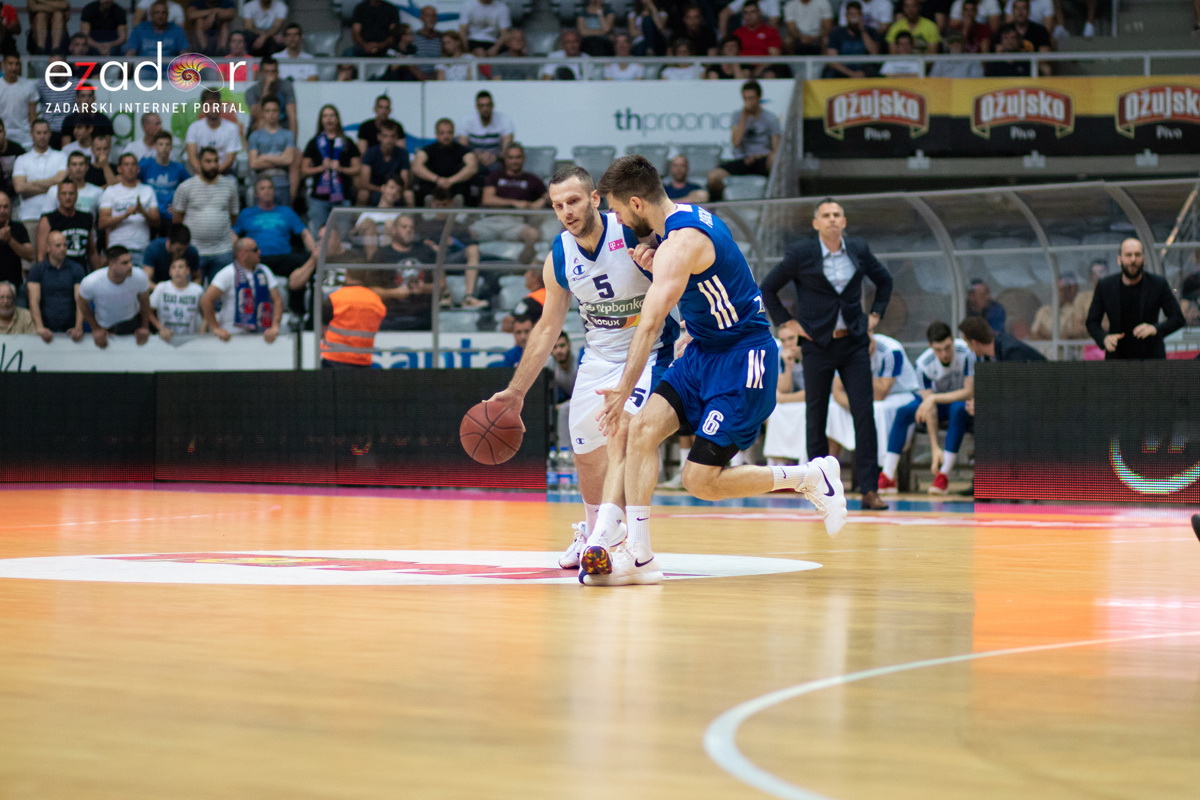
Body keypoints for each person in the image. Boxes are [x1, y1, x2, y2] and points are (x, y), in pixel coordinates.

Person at [583, 155, 847, 587]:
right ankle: (640, 553)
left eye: (615, 210)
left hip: (743, 359)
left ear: (636, 203)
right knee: (639, 431)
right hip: (704, 351)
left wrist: (621, 390)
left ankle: (808, 476)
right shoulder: (679, 223)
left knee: (699, 480)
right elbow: (705, 289)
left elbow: (649, 325)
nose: (616, 220)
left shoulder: (680, 243)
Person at [484, 165, 679, 576]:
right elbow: (547, 326)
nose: (566, 211)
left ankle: (623, 540)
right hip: (599, 358)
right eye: (557, 205)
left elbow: (681, 278)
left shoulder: (630, 231)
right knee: (585, 451)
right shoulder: (559, 255)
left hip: (649, 352)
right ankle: (593, 533)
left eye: (573, 201)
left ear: (593, 199)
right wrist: (516, 392)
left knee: (625, 432)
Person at [760, 198, 893, 510]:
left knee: (864, 413)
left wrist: (874, 316)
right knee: (815, 415)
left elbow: (885, 281)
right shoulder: (802, 253)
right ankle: (820, 489)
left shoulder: (858, 248)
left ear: (844, 222)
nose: (832, 220)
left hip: (854, 342)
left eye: (837, 215)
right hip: (817, 344)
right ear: (816, 223)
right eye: (826, 215)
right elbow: (768, 288)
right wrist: (787, 323)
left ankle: (869, 489)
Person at [877, 321, 974, 495]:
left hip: (957, 401)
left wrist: (935, 398)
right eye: (938, 350)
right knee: (903, 411)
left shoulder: (966, 353)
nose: (944, 354)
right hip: (935, 404)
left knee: (958, 409)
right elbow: (929, 407)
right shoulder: (923, 364)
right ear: (931, 347)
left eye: (947, 347)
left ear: (953, 340)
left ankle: (944, 474)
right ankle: (888, 475)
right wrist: (934, 447)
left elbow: (968, 392)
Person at [825, 332, 920, 476]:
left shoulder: (891, 350)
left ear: (871, 335)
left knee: (878, 409)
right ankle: (827, 472)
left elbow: (881, 393)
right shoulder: (845, 350)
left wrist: (862, 364)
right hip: (861, 399)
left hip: (901, 393)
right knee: (833, 408)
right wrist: (857, 407)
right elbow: (837, 392)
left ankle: (881, 469)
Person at [1085, 238, 1185, 360]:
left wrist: (1155, 328)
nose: (1133, 260)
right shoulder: (1105, 286)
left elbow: (1178, 318)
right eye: (1128, 255)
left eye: (1137, 255)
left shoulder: (1158, 284)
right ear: (1119, 259)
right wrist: (1104, 338)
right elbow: (1092, 322)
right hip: (1117, 356)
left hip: (1151, 357)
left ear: (1144, 259)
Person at [234, 176, 314, 318]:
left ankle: (298, 315)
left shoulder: (286, 212)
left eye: (270, 188)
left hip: (283, 257)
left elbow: (304, 233)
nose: (267, 191)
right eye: (263, 188)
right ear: (256, 193)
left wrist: (315, 253)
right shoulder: (247, 213)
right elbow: (233, 234)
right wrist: (237, 253)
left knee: (304, 263)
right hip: (258, 258)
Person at [707, 80, 781, 202]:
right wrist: (744, 116)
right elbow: (736, 142)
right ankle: (717, 210)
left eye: (752, 98)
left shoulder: (770, 118)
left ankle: (773, 201)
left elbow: (776, 149)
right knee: (713, 177)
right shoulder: (737, 116)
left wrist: (757, 156)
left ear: (759, 98)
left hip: (761, 160)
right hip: (741, 159)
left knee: (774, 160)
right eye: (746, 98)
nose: (749, 102)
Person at [474, 142, 546, 265]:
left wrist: (538, 203)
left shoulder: (532, 179)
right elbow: (487, 199)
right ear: (505, 159)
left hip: (515, 223)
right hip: (490, 221)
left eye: (518, 157)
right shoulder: (495, 176)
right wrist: (514, 203)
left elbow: (550, 196)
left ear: (523, 158)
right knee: (465, 233)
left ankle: (522, 269)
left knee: (533, 234)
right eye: (511, 158)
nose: (514, 161)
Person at [171, 146, 237, 280]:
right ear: (199, 163)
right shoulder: (186, 187)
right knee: (191, 293)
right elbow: (178, 219)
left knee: (220, 297)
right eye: (208, 161)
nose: (213, 165)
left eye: (215, 161)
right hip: (194, 250)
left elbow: (233, 216)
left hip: (223, 250)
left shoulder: (230, 186)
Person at [200, 237, 283, 341]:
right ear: (242, 254)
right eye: (255, 250)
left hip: (261, 334)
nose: (259, 252)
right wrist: (216, 328)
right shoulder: (228, 273)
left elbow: (277, 300)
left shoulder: (264, 271)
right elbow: (206, 300)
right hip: (232, 335)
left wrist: (275, 326)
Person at [301, 104, 361, 233]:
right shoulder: (314, 142)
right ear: (321, 120)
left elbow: (357, 169)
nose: (329, 119)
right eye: (325, 116)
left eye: (332, 115)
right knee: (319, 236)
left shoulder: (347, 142)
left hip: (343, 197)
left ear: (337, 119)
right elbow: (304, 170)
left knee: (342, 235)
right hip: (319, 199)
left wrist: (341, 169)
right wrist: (320, 168)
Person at [77, 245, 151, 348]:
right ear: (111, 264)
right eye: (125, 263)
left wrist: (144, 327)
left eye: (130, 261)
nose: (130, 266)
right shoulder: (92, 282)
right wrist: (95, 328)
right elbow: (81, 302)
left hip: (132, 323)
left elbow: (145, 301)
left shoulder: (139, 276)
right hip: (104, 325)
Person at [371, 214, 435, 331]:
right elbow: (372, 290)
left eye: (411, 227)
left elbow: (441, 286)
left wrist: (424, 287)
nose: (408, 230)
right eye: (404, 227)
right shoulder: (382, 254)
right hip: (390, 317)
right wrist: (394, 293)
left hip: (422, 318)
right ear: (394, 230)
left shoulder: (426, 252)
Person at [12, 118, 67, 244]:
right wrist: (51, 185)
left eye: (45, 132)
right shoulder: (22, 159)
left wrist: (31, 183)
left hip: (55, 215)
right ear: (31, 134)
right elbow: (20, 188)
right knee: (31, 260)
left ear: (50, 134)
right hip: (29, 216)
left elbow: (60, 181)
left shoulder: (61, 156)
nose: (42, 136)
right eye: (38, 133)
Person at [319, 268, 388, 368]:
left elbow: (322, 325)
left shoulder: (335, 298)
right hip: (363, 360)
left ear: (346, 275)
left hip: (334, 358)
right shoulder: (376, 300)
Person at [27, 230, 86, 341]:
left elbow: (80, 299)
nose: (63, 249)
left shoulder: (76, 269)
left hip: (70, 326)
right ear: (48, 248)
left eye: (65, 245)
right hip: (47, 325)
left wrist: (78, 326)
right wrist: (40, 327)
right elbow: (33, 300)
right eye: (58, 245)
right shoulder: (37, 270)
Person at [411, 118, 477, 208]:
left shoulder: (463, 150)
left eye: (449, 133)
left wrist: (451, 181)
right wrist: (437, 179)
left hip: (455, 187)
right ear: (437, 134)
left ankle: (458, 204)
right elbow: (416, 166)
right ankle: (430, 203)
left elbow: (472, 167)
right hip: (434, 186)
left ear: (454, 134)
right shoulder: (427, 150)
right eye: (442, 133)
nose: (446, 136)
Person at [247, 95, 297, 206]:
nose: (271, 114)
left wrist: (264, 157)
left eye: (274, 110)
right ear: (263, 113)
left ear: (280, 112)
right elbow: (254, 163)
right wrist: (280, 159)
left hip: (283, 184)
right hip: (261, 184)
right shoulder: (255, 136)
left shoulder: (288, 135)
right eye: (268, 111)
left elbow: (288, 160)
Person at [138, 130, 189, 233]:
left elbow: (191, 188)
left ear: (171, 147)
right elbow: (131, 182)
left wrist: (181, 208)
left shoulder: (179, 168)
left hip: (170, 217)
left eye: (167, 145)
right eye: (160, 144)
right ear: (154, 146)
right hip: (149, 215)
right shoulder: (145, 165)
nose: (164, 148)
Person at [36, 179, 95, 266]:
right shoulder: (48, 219)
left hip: (81, 271)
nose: (68, 197)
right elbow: (41, 254)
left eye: (71, 193)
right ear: (58, 196)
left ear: (77, 195)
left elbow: (92, 253)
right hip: (57, 272)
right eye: (64, 193)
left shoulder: (87, 217)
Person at [458, 91, 514, 175]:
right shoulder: (467, 121)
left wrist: (495, 157)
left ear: (493, 105)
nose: (485, 109)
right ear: (476, 107)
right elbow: (462, 148)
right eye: (482, 106)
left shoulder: (504, 120)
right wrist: (478, 156)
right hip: (473, 159)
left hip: (496, 160)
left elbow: (507, 149)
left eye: (488, 105)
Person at [358, 119, 411, 207]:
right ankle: (359, 220)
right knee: (363, 194)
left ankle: (409, 220)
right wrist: (381, 189)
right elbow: (364, 182)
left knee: (409, 195)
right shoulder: (370, 152)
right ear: (379, 137)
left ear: (397, 137)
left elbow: (404, 180)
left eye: (392, 136)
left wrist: (394, 190)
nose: (389, 140)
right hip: (375, 189)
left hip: (396, 190)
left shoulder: (403, 153)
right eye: (385, 136)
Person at [148, 256, 202, 339]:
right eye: (173, 267)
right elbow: (148, 310)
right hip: (166, 337)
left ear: (188, 270)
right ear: (169, 272)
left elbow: (206, 313)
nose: (177, 270)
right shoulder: (161, 288)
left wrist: (202, 331)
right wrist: (160, 328)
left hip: (191, 337)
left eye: (180, 267)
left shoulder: (197, 290)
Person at [823, 1, 881, 78]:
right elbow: (832, 60)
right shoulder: (836, 34)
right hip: (843, 71)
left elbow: (874, 53)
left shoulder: (870, 32)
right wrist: (852, 74)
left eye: (856, 14)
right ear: (846, 16)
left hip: (864, 71)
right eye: (851, 14)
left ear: (861, 15)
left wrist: (862, 30)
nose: (853, 17)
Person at [245, 57, 297, 137]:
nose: (270, 75)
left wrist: (293, 143)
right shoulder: (252, 91)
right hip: (259, 128)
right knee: (261, 122)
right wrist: (266, 88)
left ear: (278, 72)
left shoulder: (286, 86)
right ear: (261, 72)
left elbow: (292, 117)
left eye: (273, 71)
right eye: (267, 72)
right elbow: (258, 115)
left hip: (282, 127)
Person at [958, 316, 1046, 362]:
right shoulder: (986, 356)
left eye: (967, 344)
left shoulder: (1012, 351)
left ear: (974, 343)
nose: (968, 348)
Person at [2, 56, 42, 152]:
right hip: (2, 134)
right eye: (10, 64)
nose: (14, 67)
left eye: (17, 64)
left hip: (24, 135)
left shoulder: (28, 86)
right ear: (3, 65)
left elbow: (32, 115)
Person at [732, 1, 783, 75]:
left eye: (753, 12)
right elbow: (732, 53)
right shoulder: (737, 33)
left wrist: (759, 69)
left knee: (769, 75)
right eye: (746, 13)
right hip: (744, 66)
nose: (749, 16)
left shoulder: (770, 32)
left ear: (760, 13)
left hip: (765, 66)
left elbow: (774, 55)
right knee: (744, 72)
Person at [47, 151, 103, 216]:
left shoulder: (97, 191)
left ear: (87, 167)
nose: (78, 168)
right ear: (68, 167)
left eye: (81, 164)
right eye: (74, 164)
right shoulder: (54, 190)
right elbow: (48, 217)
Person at [0, 189, 30, 294]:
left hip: (15, 285)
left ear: (11, 208)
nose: (2, 211)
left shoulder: (18, 228)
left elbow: (29, 255)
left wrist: (9, 240)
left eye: (5, 207)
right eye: (0, 207)